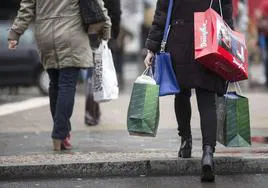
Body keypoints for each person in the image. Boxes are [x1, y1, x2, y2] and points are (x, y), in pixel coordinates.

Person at [144, 0, 234, 182]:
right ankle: (208, 152)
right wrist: (229, 42)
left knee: (182, 93)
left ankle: (185, 142)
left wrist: (152, 48)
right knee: (207, 98)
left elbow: (162, 13)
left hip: (179, 40)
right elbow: (226, 13)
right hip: (209, 39)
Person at [8, 0, 110, 151]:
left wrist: (15, 34)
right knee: (67, 85)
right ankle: (59, 134)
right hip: (72, 34)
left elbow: (27, 8)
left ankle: (62, 132)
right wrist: (106, 29)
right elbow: (97, 5)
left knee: (54, 85)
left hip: (45, 36)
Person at [84, 0, 121, 126]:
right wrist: (113, 34)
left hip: (88, 30)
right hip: (104, 31)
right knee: (98, 68)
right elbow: (116, 12)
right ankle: (92, 110)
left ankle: (91, 110)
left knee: (92, 70)